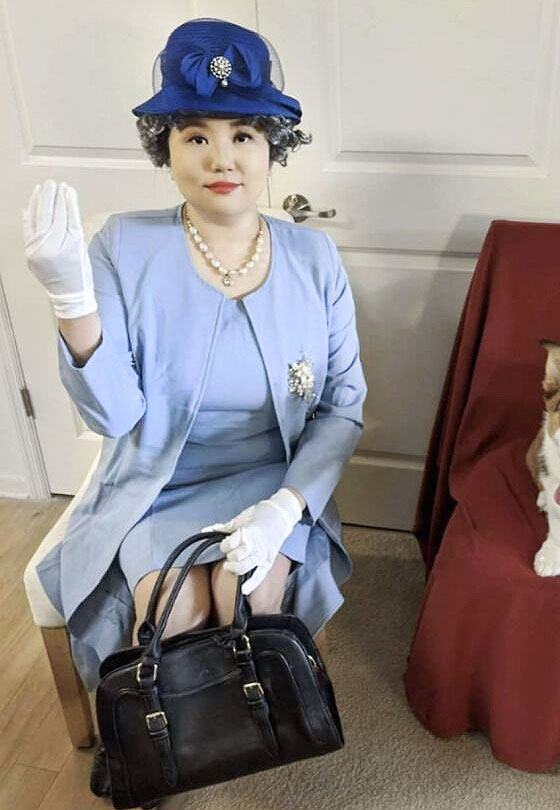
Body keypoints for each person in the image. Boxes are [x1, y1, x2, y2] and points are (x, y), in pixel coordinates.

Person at [22, 17, 366, 797]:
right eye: (195, 136)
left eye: (244, 134)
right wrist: (73, 303)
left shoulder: (314, 258)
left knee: (250, 593)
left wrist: (284, 510)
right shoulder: (122, 246)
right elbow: (115, 419)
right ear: (166, 148)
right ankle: (158, 746)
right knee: (171, 610)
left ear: (273, 147)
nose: (221, 157)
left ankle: (260, 726)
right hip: (160, 478)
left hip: (274, 479)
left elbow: (344, 404)